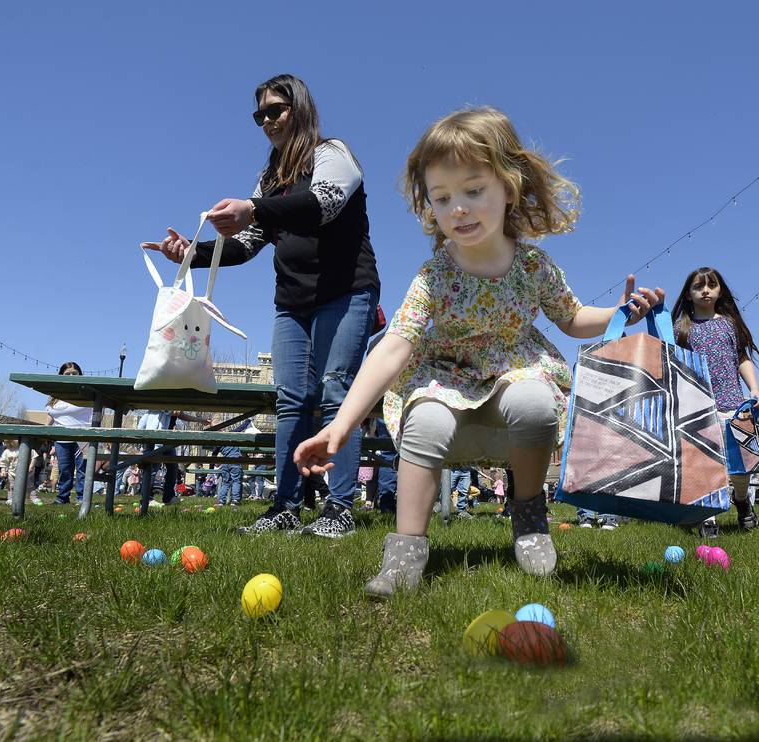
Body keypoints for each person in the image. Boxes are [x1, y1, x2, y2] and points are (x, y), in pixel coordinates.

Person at [295, 106, 664, 596]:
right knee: (425, 421)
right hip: (445, 378)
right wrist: (340, 424)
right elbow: (395, 347)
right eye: (442, 197)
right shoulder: (436, 274)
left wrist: (620, 314)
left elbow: (572, 318)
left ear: (508, 188)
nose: (458, 209)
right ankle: (406, 549)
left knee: (534, 405)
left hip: (516, 370)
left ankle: (529, 517)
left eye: (473, 190)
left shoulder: (532, 266)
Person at [143, 74, 381, 538]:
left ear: (301, 108)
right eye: (260, 115)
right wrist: (192, 251)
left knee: (336, 393)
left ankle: (339, 508)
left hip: (345, 292)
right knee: (290, 400)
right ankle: (284, 507)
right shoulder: (269, 180)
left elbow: (323, 205)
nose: (268, 121)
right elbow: (246, 245)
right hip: (291, 303)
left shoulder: (332, 154)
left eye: (276, 110)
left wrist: (255, 208)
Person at [671, 267, 759, 537]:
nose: (705, 290)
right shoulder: (681, 329)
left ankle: (742, 500)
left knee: (742, 466)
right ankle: (708, 518)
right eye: (698, 286)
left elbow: (742, 358)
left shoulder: (730, 324)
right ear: (689, 294)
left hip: (735, 406)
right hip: (699, 407)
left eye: (711, 285)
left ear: (720, 290)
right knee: (705, 465)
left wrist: (754, 389)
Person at [45, 362, 93, 505]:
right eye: (67, 374)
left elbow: (98, 410)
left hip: (83, 436)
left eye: (74, 373)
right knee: (64, 469)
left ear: (80, 375)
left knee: (83, 470)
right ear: (61, 376)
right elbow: (51, 415)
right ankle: (62, 496)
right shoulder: (55, 396)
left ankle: (81, 498)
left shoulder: (87, 391)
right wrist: (44, 430)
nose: (71, 376)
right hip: (62, 437)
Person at [137, 410, 208, 506]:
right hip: (155, 435)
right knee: (153, 467)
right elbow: (172, 411)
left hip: (167, 437)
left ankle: (169, 497)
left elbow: (180, 414)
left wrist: (199, 420)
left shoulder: (177, 406)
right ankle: (147, 499)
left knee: (173, 467)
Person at [0, 440, 43, 506]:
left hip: (27, 473)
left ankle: (34, 498)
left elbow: (34, 457)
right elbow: (4, 462)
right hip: (12, 473)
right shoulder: (7, 451)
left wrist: (31, 466)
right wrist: (3, 470)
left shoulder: (26, 448)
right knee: (11, 486)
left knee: (29, 486)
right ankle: (10, 499)